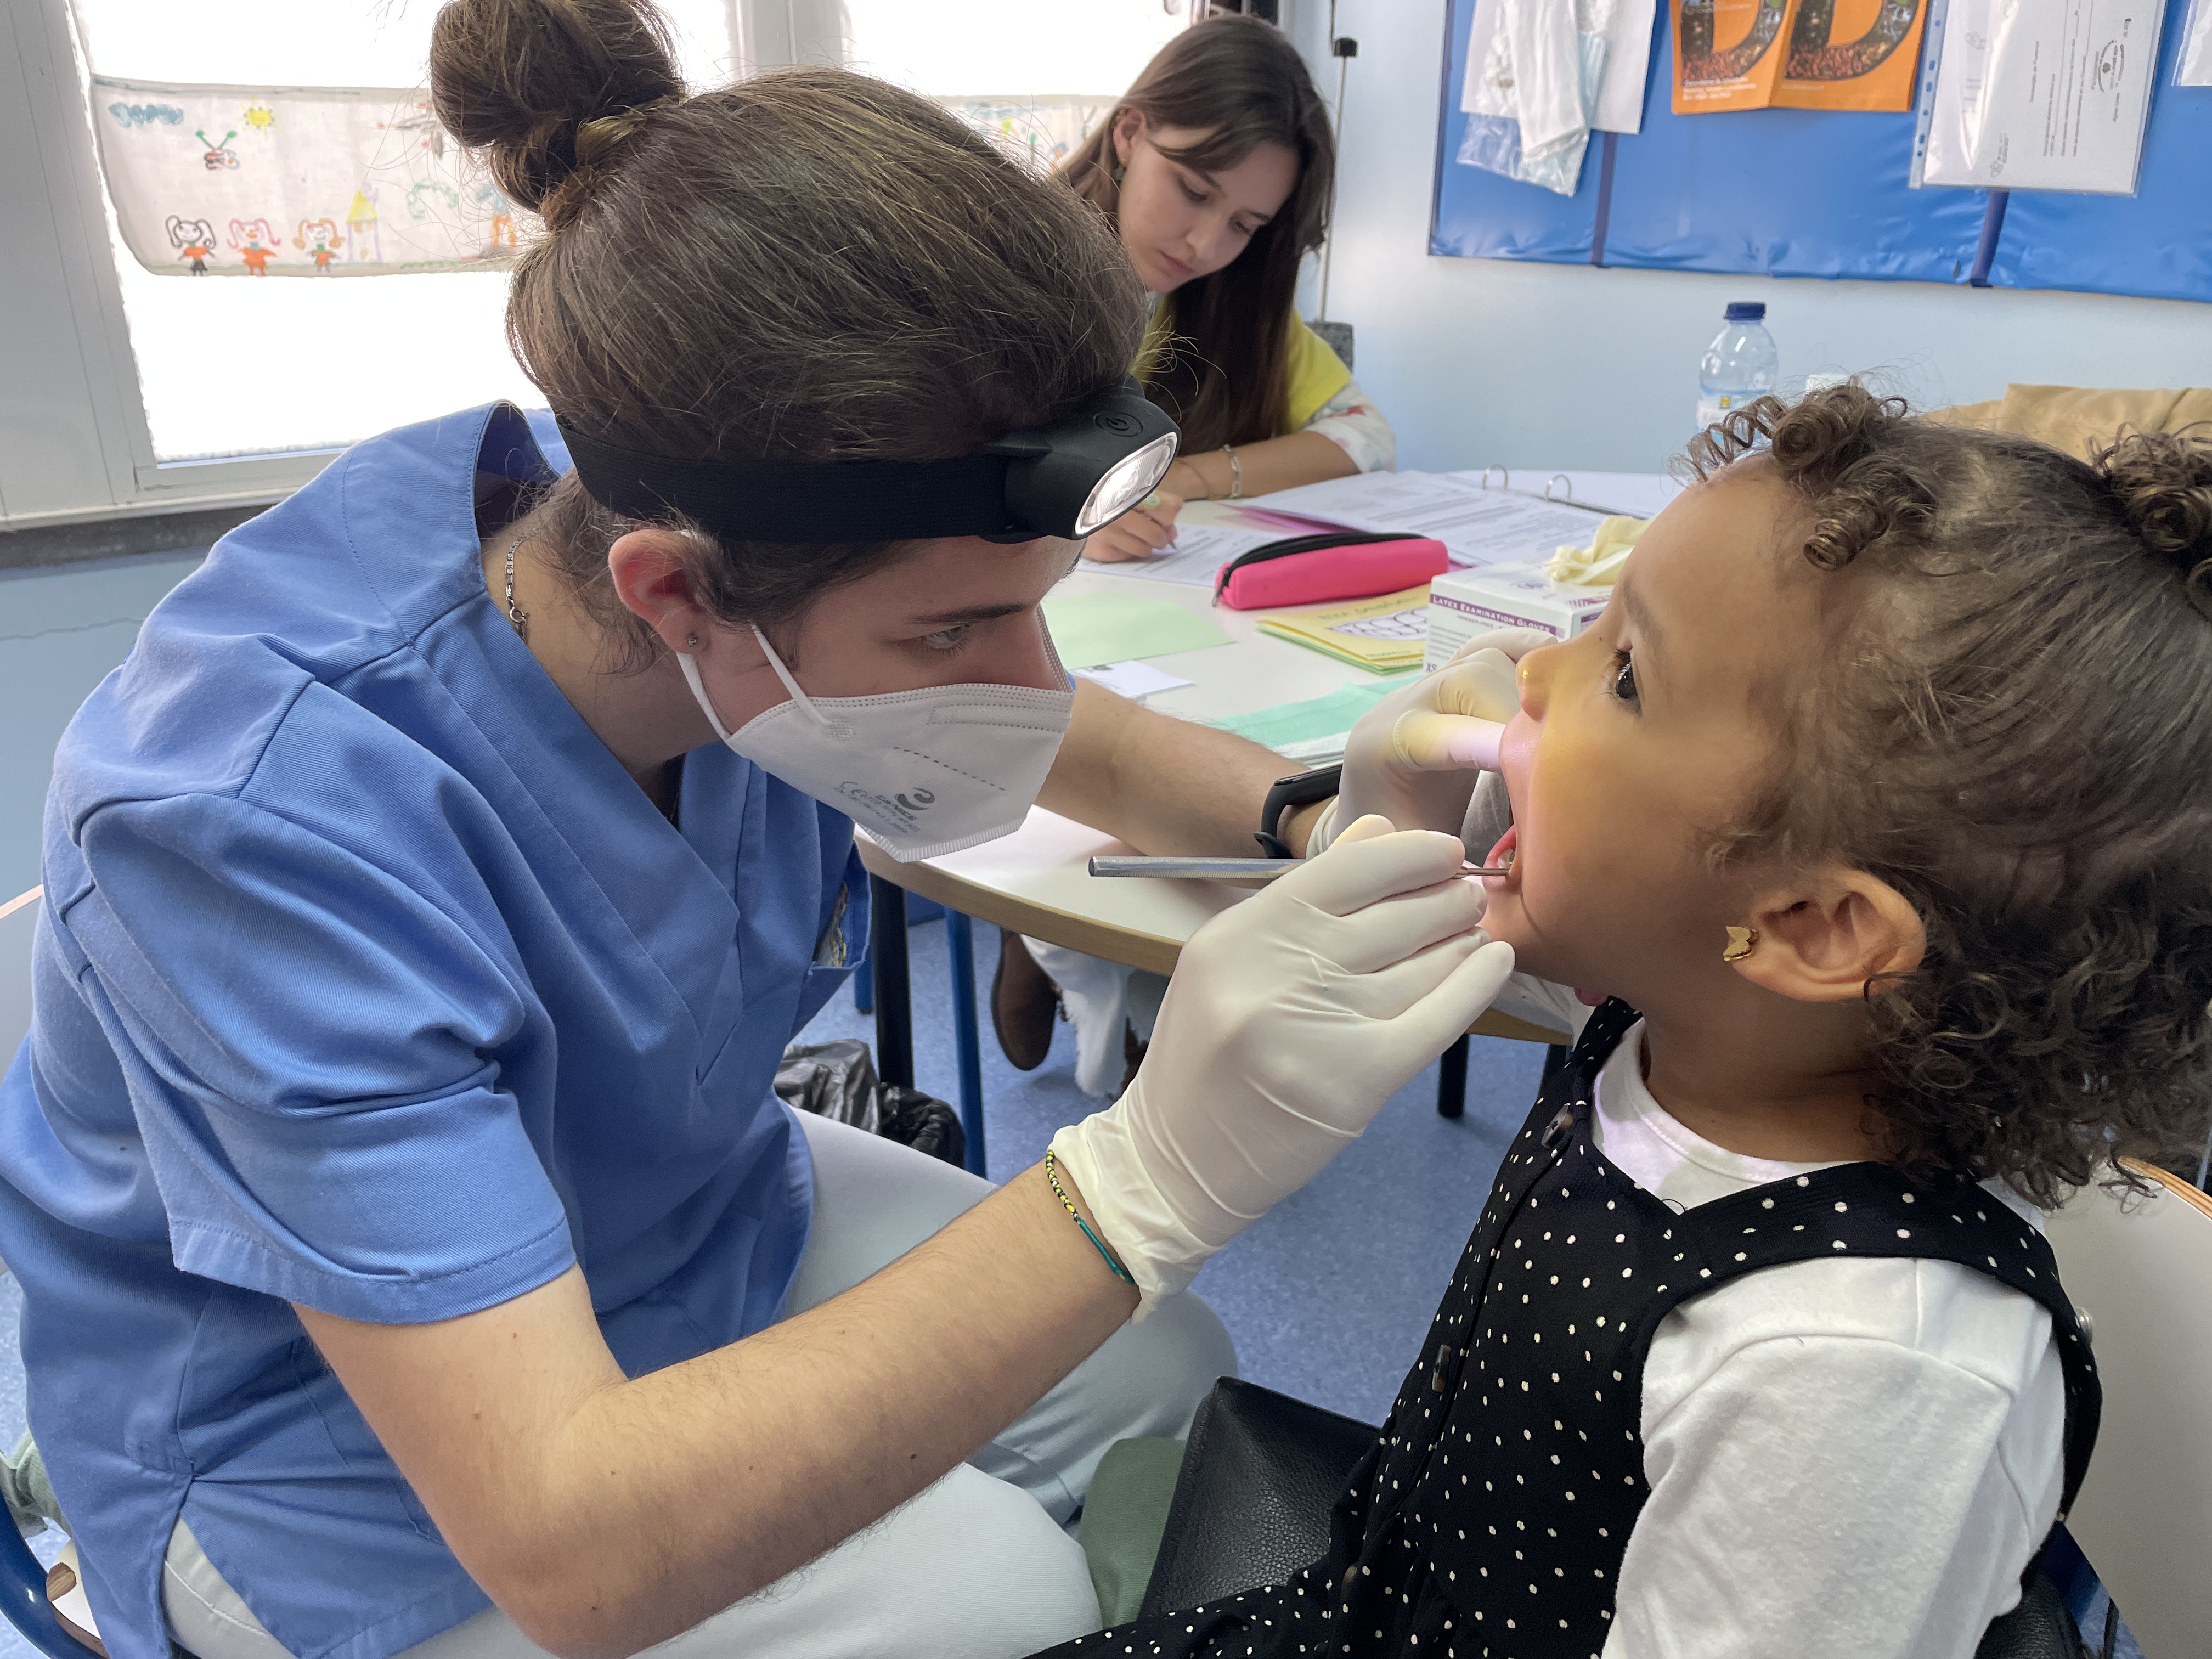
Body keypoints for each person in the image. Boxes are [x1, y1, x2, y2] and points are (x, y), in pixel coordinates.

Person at [0, 8, 1519, 1658]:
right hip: (303, 1434)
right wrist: (1138, 1180)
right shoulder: (257, 829)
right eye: (954, 633)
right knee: (995, 1588)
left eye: (1033, 609)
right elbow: (571, 1547)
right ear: (675, 596)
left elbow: (1058, 726)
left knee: (1169, 1379)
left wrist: (1314, 812)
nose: (1025, 683)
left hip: (669, 1209)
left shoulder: (697, 513)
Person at [1032, 386, 2212, 1657]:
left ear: (1815, 926)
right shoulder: (1698, 1020)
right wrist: (1390, 818)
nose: (1536, 672)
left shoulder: (1862, 1367)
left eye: (1628, 672)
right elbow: (1486, 924)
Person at [996, 14, 1394, 1093]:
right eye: (1195, 189)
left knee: (1232, 745)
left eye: (1246, 223)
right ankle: (1059, 944)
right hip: (1011, 622)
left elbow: (1365, 439)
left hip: (1158, 621)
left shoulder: (1213, 301)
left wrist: (1180, 477)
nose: (1208, 240)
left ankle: (1081, 956)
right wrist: (1067, 505)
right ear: (1130, 133)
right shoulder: (1002, 263)